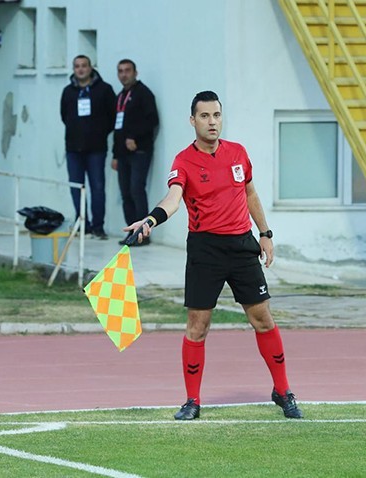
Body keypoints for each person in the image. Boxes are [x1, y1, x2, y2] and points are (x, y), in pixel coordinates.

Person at [124, 91, 302, 421]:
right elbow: (173, 198)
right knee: (198, 326)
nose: (212, 122)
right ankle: (192, 401)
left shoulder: (238, 153)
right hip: (205, 249)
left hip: (242, 247)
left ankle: (283, 391)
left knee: (262, 319)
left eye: (217, 115)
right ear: (193, 121)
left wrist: (265, 234)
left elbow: (249, 193)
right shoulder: (183, 161)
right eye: (204, 116)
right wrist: (150, 220)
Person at [60, 55, 117, 239]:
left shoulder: (104, 90)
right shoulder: (68, 91)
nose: (81, 69)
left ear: (90, 67)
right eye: (77, 66)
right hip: (73, 149)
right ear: (73, 69)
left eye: (84, 66)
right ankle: (82, 224)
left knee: (97, 187)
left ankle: (98, 227)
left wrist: (98, 133)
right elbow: (64, 115)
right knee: (76, 187)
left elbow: (112, 116)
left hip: (96, 149)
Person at [111, 59, 159, 246]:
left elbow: (152, 120)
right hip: (122, 154)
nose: (124, 74)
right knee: (125, 193)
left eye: (127, 71)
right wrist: (115, 155)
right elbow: (117, 128)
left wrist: (135, 138)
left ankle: (143, 234)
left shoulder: (143, 93)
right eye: (120, 71)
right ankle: (131, 232)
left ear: (135, 72)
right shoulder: (121, 96)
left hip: (139, 151)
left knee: (136, 190)